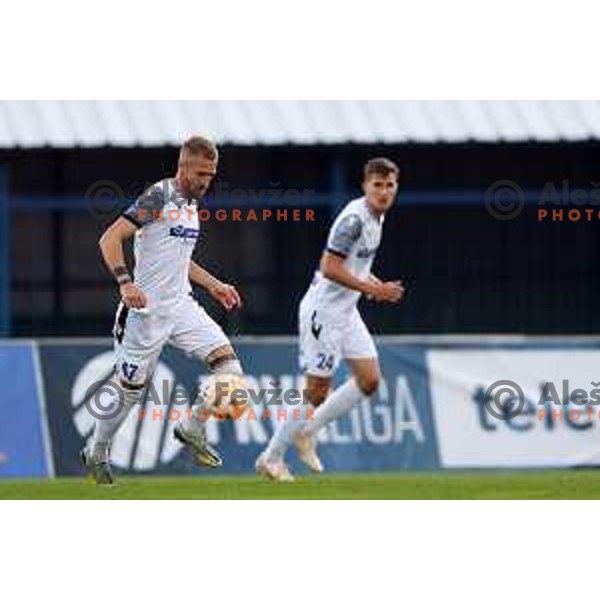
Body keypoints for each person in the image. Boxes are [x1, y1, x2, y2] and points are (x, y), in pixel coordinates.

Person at [81, 135, 244, 484]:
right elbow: (109, 238)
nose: (206, 181)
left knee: (230, 372)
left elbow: (178, 260)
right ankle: (97, 449)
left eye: (211, 175)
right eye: (201, 173)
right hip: (145, 314)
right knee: (129, 393)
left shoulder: (190, 204)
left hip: (181, 306)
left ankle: (192, 427)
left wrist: (214, 284)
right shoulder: (159, 196)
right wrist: (126, 283)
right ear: (182, 166)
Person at [256, 157, 405, 481]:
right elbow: (329, 266)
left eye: (389, 185)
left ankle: (308, 431)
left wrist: (372, 283)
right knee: (317, 389)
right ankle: (271, 457)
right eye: (377, 185)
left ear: (396, 187)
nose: (383, 191)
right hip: (323, 312)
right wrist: (371, 290)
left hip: (346, 311)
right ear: (365, 185)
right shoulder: (354, 219)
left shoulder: (377, 219)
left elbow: (354, 265)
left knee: (369, 380)